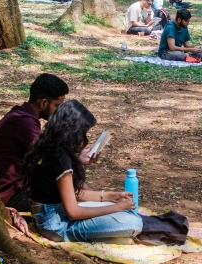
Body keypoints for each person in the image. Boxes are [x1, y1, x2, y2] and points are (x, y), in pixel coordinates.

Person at [22, 100, 141, 242]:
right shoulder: (61, 159)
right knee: (134, 222)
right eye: (83, 133)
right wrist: (117, 207)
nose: (83, 138)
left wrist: (112, 196)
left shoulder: (48, 145)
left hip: (51, 216)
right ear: (73, 131)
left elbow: (74, 194)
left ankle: (104, 234)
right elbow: (73, 212)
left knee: (126, 213)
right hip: (57, 227)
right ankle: (94, 237)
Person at [0, 74, 68, 235]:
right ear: (43, 103)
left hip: (20, 187)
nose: (59, 111)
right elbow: (50, 156)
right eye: (57, 105)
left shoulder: (22, 116)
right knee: (68, 197)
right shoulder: (23, 122)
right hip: (12, 194)